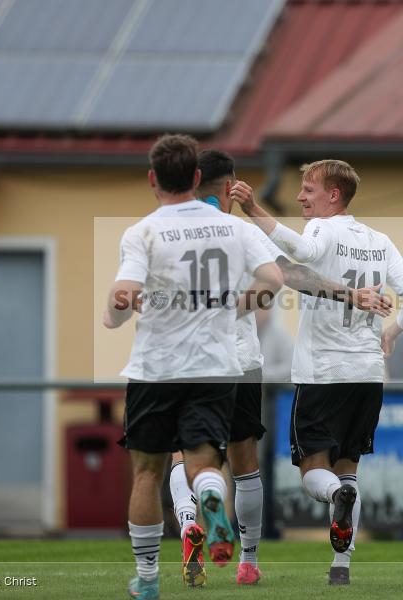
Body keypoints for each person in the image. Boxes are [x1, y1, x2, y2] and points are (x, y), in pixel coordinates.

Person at [167, 149, 388, 588]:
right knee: (245, 465)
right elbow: (288, 275)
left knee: (184, 456)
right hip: (242, 361)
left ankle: (191, 518)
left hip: (186, 361)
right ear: (230, 187)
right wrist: (349, 294)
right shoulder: (245, 233)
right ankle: (248, 561)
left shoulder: (162, 232)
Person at [103, 134, 284, 600]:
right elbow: (274, 279)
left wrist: (117, 311)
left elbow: (124, 296)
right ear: (198, 178)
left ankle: (146, 580)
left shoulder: (142, 231)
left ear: (152, 180)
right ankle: (210, 498)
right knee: (207, 461)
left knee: (148, 472)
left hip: (156, 368)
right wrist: (238, 307)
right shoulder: (235, 228)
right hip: (217, 367)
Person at [231, 159, 403, 586]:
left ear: (333, 195)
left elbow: (300, 254)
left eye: (308, 189)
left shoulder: (324, 228)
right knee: (349, 470)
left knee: (314, 475)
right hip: (368, 375)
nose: (301, 196)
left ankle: (336, 496)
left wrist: (255, 212)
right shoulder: (380, 241)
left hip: (323, 372)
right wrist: (390, 332)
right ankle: (341, 567)